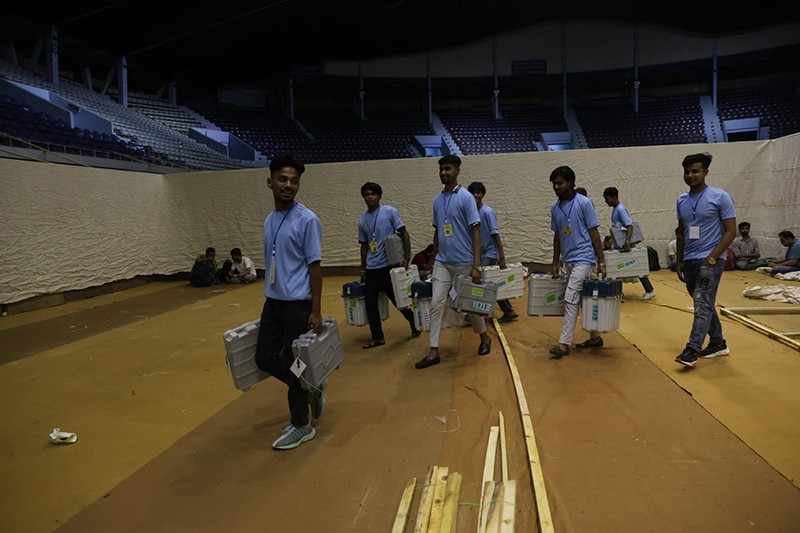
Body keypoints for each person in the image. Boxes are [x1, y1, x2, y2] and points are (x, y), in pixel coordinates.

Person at [253, 154, 325, 451]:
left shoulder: (307, 220)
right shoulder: (270, 220)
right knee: (263, 358)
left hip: (297, 304)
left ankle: (301, 424)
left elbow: (315, 268)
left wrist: (315, 310)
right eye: (282, 179)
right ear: (270, 181)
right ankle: (312, 386)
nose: (288, 185)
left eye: (294, 181)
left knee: (293, 364)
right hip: (273, 302)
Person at [414, 155, 493, 369]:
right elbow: (438, 232)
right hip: (442, 262)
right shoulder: (437, 200)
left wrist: (476, 265)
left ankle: (484, 337)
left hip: (464, 263)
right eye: (441, 169)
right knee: (436, 304)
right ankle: (433, 352)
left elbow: (476, 232)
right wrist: (432, 260)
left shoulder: (466, 198)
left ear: (457, 171)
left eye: (447, 169)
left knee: (470, 307)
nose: (443, 172)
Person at [674, 152, 737, 368]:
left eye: (695, 171)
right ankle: (718, 343)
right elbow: (681, 232)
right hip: (690, 260)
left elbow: (731, 231)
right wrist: (679, 261)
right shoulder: (681, 200)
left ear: (705, 172)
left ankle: (692, 349)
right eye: (687, 172)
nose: (691, 175)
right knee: (704, 303)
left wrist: (712, 257)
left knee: (701, 302)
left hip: (710, 260)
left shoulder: (720, 197)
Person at [548, 165, 607, 359]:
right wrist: (555, 262)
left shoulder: (584, 203)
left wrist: (601, 261)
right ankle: (595, 337)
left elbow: (594, 232)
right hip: (568, 259)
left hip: (585, 258)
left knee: (570, 296)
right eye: (554, 184)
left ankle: (564, 343)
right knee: (582, 299)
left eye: (560, 183)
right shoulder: (555, 208)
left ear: (571, 182)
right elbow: (557, 237)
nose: (556, 187)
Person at [358, 181, 420, 349]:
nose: (369, 197)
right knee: (370, 302)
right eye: (366, 194)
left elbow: (404, 233)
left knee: (397, 299)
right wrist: (363, 267)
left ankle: (413, 321)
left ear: (379, 196)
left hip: (389, 266)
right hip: (372, 267)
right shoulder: (362, 220)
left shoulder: (389, 212)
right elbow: (364, 246)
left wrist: (407, 257)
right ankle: (377, 337)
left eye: (373, 194)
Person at [467, 181, 519, 323]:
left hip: (490, 254)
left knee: (481, 281)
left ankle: (478, 312)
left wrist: (502, 257)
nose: (476, 195)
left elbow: (496, 234)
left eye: (479, 193)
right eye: (473, 193)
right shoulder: (471, 213)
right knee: (490, 282)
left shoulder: (487, 212)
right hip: (480, 254)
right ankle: (508, 310)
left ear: (483, 195)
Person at [602, 186, 656, 300]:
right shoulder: (616, 209)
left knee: (635, 267)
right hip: (620, 243)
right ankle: (618, 291)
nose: (606, 202)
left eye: (607, 199)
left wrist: (626, 242)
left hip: (626, 244)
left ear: (613, 197)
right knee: (619, 267)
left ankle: (650, 290)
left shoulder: (620, 210)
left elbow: (629, 226)